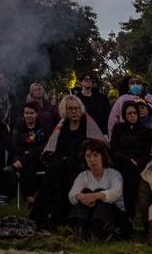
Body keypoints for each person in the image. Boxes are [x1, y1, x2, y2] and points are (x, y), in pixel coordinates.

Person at [32, 94, 105, 227]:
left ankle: (64, 216)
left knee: (67, 174)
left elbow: (98, 146)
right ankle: (41, 217)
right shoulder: (62, 126)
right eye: (70, 109)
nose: (74, 111)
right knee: (52, 175)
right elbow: (54, 148)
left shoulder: (87, 124)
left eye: (76, 108)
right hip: (62, 163)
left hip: (83, 164)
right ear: (65, 110)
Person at [67, 138, 127, 239]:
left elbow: (116, 193)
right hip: (89, 215)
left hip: (114, 216)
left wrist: (96, 196)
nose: (92, 159)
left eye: (96, 155)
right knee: (84, 193)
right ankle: (81, 231)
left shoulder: (114, 174)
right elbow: (72, 194)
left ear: (103, 156)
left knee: (99, 193)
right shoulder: (83, 176)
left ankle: (99, 231)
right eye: (88, 156)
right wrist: (81, 197)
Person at [110, 100, 152, 218]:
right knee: (126, 169)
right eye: (129, 113)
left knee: (130, 173)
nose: (132, 115)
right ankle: (126, 213)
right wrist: (128, 161)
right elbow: (114, 149)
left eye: (135, 113)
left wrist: (137, 161)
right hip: (122, 161)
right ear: (124, 115)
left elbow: (148, 153)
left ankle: (128, 213)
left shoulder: (146, 131)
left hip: (139, 163)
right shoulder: (118, 128)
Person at [10, 102, 47, 206]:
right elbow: (14, 146)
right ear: (23, 114)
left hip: (37, 157)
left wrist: (30, 153)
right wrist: (26, 153)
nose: (29, 115)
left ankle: (29, 197)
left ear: (36, 114)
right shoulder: (19, 127)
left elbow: (44, 145)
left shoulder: (42, 126)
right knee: (28, 164)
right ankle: (31, 197)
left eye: (32, 113)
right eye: (26, 113)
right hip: (22, 156)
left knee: (28, 162)